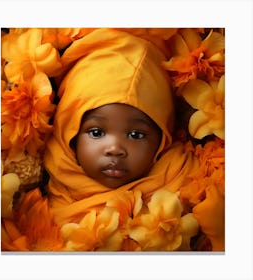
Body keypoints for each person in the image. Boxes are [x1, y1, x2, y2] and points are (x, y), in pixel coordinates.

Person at [37, 28, 200, 251]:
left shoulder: (187, 188)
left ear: (162, 138)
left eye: (136, 135)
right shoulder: (38, 196)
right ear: (68, 133)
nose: (115, 149)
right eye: (96, 133)